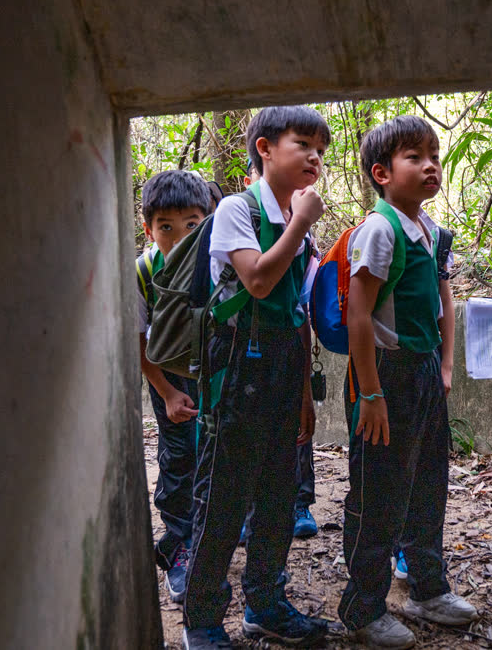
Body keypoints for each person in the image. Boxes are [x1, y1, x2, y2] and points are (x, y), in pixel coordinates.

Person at [181, 106, 331, 649]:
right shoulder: (236, 210)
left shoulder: (294, 216)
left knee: (277, 493)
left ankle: (265, 604)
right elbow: (260, 281)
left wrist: (305, 394)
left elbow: (298, 309)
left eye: (321, 149)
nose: (314, 157)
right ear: (264, 148)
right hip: (239, 364)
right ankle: (202, 620)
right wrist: (301, 223)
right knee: (223, 493)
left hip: (284, 365)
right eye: (302, 144)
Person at [338, 115, 478, 649]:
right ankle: (363, 607)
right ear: (382, 173)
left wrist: (445, 367)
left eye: (434, 157)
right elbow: (358, 316)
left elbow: (445, 303)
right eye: (414, 157)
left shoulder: (431, 232)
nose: (430, 167)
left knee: (428, 482)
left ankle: (426, 586)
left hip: (422, 372)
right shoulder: (380, 231)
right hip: (384, 374)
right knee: (379, 491)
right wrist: (370, 393)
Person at [135, 170, 215, 604]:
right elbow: (139, 341)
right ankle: (179, 543)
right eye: (166, 226)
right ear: (148, 228)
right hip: (167, 376)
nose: (180, 236)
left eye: (191, 224)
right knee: (178, 454)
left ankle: (213, 533)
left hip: (212, 372)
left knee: (217, 451)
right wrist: (166, 392)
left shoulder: (218, 261)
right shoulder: (144, 271)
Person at [238, 160, 320, 544]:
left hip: (287, 347)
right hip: (244, 354)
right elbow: (256, 282)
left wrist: (306, 386)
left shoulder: (302, 235)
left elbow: (301, 308)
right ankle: (246, 513)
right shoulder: (240, 218)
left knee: (293, 436)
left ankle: (298, 503)